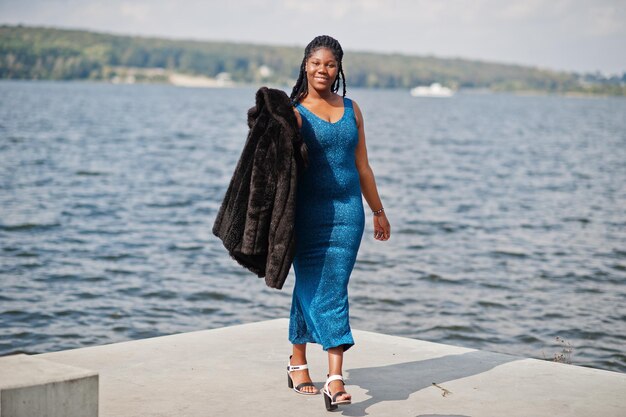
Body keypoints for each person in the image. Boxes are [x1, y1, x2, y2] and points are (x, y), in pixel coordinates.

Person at [285, 35, 391, 411]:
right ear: (305, 65)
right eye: (316, 63)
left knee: (330, 287)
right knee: (316, 286)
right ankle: (327, 375)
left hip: (348, 215)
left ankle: (314, 368)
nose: (322, 70)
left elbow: (362, 166)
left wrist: (378, 211)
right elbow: (274, 168)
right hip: (306, 216)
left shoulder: (352, 108)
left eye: (329, 64)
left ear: (338, 69)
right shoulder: (294, 112)